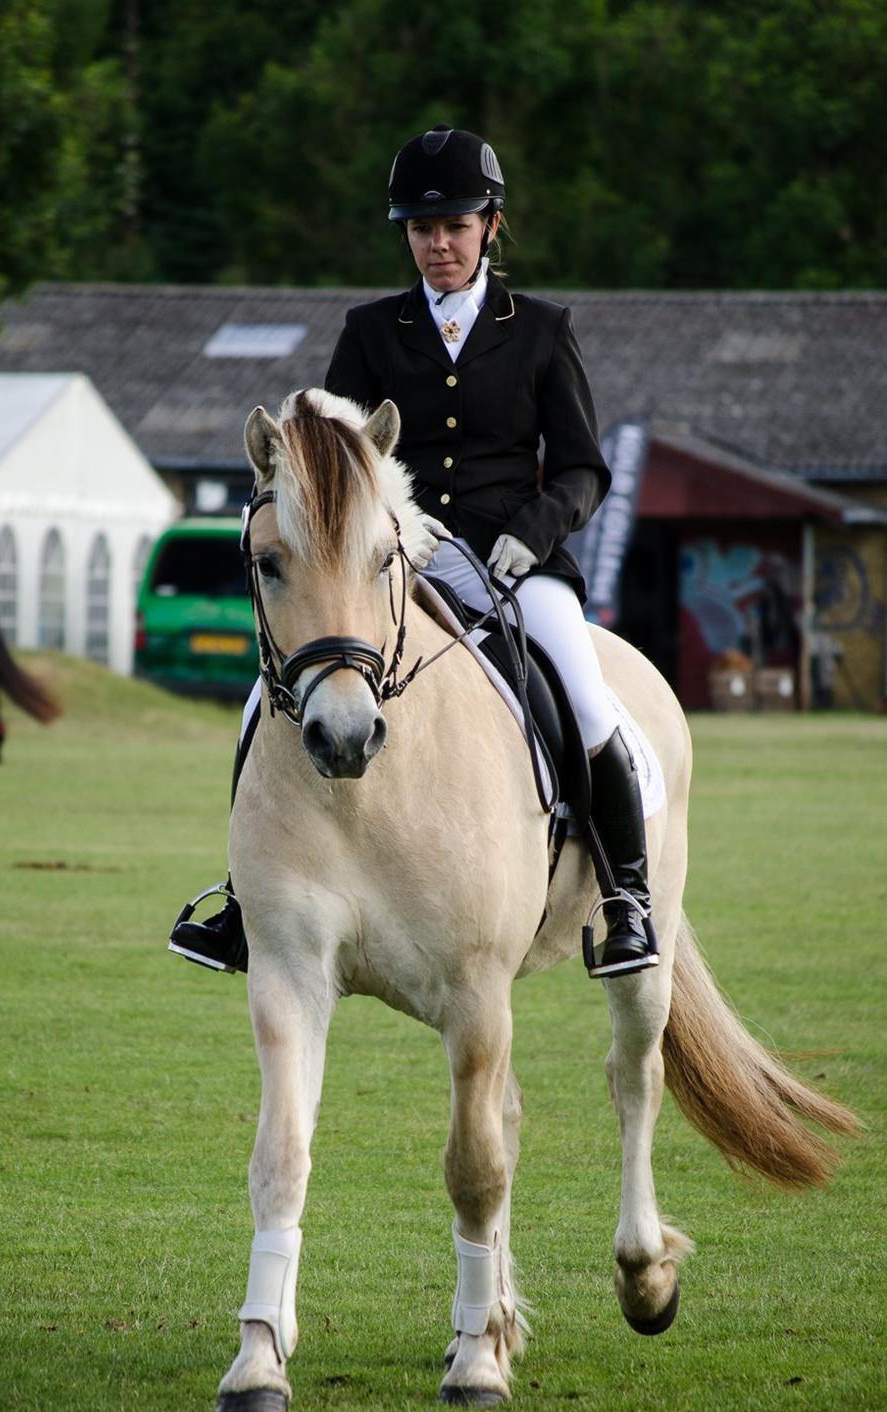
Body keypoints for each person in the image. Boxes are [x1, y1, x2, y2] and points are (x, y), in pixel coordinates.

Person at [169, 125, 658, 980]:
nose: (437, 244)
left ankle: (627, 902)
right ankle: (245, 903)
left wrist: (530, 533)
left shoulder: (542, 329)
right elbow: (330, 462)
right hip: (392, 560)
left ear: (490, 227)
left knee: (585, 701)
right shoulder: (370, 330)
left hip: (514, 562)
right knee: (266, 700)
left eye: (456, 226)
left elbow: (583, 468)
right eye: (421, 230)